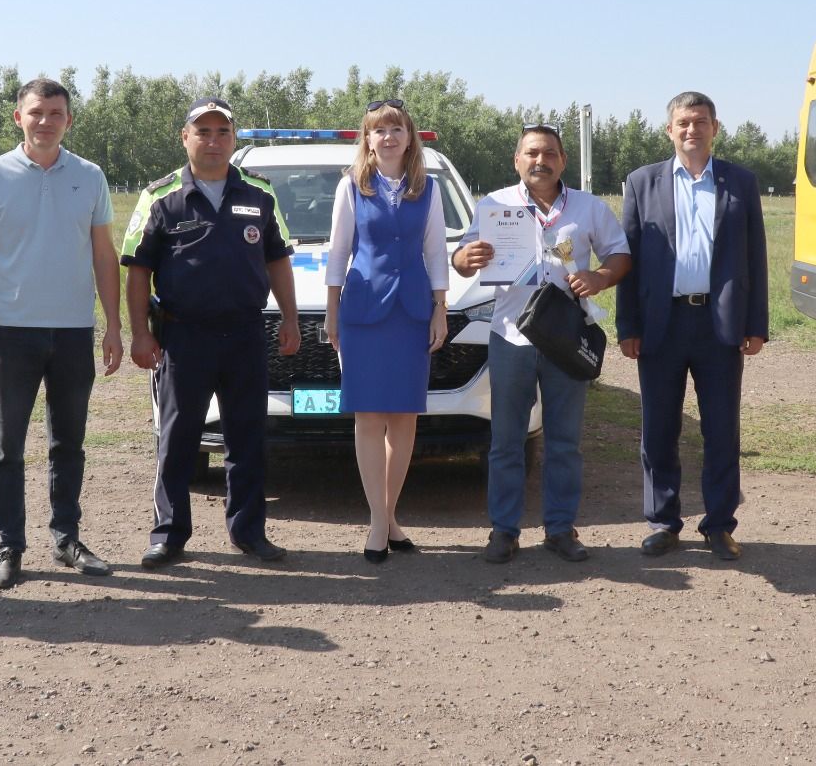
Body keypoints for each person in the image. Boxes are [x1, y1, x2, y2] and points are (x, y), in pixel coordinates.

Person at [0, 78, 124, 590]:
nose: (46, 121)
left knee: (68, 443)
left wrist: (113, 325)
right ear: (18, 118)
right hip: (9, 332)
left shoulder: (90, 177)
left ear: (68, 121)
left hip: (73, 331)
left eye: (56, 113)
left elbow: (103, 255)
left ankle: (66, 538)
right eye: (37, 112)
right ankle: (9, 546)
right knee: (6, 446)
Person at [124, 97, 301, 567]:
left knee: (246, 437)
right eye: (202, 132)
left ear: (234, 139)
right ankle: (169, 533)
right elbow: (138, 269)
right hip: (184, 337)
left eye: (222, 132)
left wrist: (289, 317)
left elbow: (278, 259)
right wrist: (140, 333)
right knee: (177, 437)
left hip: (245, 333)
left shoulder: (260, 193)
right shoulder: (160, 197)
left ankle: (248, 532)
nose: (213, 141)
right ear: (185, 138)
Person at [454, 123, 631, 563]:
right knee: (506, 440)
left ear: (562, 161)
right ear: (517, 160)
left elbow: (621, 254)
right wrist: (466, 258)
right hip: (510, 334)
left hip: (565, 337)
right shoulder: (494, 205)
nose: (540, 160)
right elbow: (459, 258)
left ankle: (560, 528)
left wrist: (600, 276)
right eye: (531, 152)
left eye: (549, 152)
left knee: (565, 440)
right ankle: (504, 530)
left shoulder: (589, 208)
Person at [618, 92, 768, 560]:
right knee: (658, 429)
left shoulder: (740, 182)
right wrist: (628, 325)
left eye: (700, 122)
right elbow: (630, 260)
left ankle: (719, 525)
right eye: (683, 122)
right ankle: (663, 521)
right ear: (669, 130)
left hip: (719, 324)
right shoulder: (643, 183)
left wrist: (756, 323)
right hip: (661, 323)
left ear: (715, 128)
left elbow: (756, 257)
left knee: (721, 429)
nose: (691, 130)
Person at [327, 99, 450, 563]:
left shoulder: (429, 188)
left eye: (397, 128)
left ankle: (386, 517)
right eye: (380, 130)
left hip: (412, 312)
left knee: (404, 418)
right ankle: (382, 524)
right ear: (368, 139)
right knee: (368, 417)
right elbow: (338, 253)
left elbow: (436, 252)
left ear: (409, 137)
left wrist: (440, 308)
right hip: (363, 311)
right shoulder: (351, 187)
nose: (389, 137)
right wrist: (332, 312)